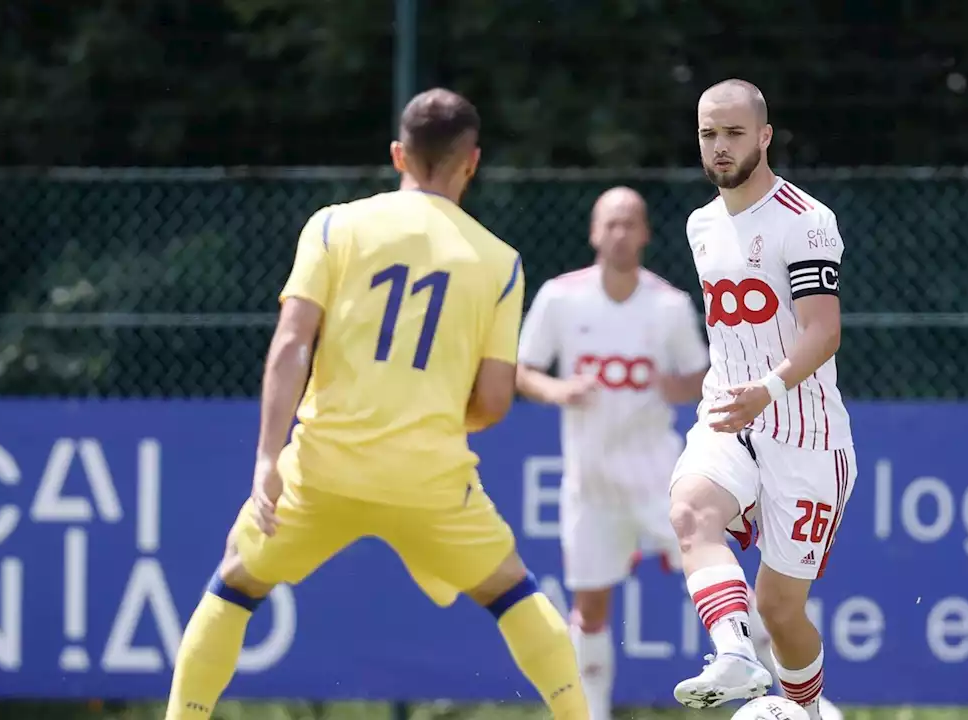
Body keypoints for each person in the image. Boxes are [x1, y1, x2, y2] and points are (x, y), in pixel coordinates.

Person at [164, 88, 588, 720]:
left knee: (235, 583)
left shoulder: (335, 225)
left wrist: (266, 458)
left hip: (324, 466)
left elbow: (290, 345)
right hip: (430, 479)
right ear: (471, 161)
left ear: (398, 154)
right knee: (513, 591)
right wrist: (437, 414)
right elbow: (496, 399)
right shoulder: (500, 263)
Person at [667, 78, 856, 720]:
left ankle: (809, 709)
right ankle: (734, 654)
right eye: (708, 134)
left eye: (734, 133)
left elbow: (822, 332)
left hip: (805, 434)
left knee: (779, 609)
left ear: (765, 136)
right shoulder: (700, 224)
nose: (720, 147)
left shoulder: (805, 222)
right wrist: (741, 399)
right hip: (727, 414)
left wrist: (769, 389)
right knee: (691, 510)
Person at [515, 186, 711, 720]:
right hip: (591, 482)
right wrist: (558, 391)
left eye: (630, 223)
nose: (620, 233)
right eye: (611, 223)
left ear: (646, 234)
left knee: (712, 572)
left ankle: (789, 698)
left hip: (659, 475)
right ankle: (592, 712)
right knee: (591, 608)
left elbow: (699, 375)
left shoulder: (669, 305)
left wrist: (680, 386)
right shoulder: (560, 297)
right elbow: (523, 369)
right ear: (594, 232)